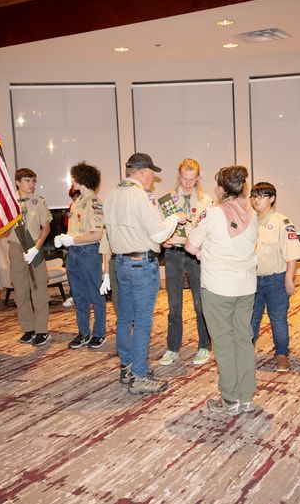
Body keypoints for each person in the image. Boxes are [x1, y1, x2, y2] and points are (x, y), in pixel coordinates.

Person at [105, 153, 181, 394]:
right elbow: (159, 234)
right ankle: (139, 375)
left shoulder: (111, 193)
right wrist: (175, 218)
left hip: (121, 264)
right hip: (141, 266)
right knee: (142, 322)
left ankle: (127, 367)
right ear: (144, 172)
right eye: (152, 173)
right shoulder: (139, 196)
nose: (153, 178)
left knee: (125, 318)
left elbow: (125, 230)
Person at [186, 165, 258, 417]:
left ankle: (229, 398)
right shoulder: (253, 213)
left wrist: (203, 252)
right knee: (243, 340)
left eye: (216, 185)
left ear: (222, 188)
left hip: (218, 288)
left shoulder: (213, 213)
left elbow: (190, 245)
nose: (214, 189)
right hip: (246, 287)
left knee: (224, 343)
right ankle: (246, 396)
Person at [158, 158, 214, 367]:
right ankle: (172, 348)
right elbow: (159, 226)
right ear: (178, 176)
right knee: (174, 305)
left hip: (196, 256)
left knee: (200, 304)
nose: (188, 183)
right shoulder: (167, 200)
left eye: (192, 179)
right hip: (173, 254)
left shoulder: (206, 201)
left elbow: (209, 229)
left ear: (198, 177)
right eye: (184, 178)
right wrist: (162, 239)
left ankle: (204, 346)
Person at [249, 181, 300, 372]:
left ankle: (282, 354)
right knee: (251, 319)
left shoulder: (282, 222)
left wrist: (289, 278)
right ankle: (247, 353)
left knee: (278, 319)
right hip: (252, 280)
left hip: (276, 280)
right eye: (254, 196)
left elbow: (292, 254)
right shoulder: (248, 221)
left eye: (261, 196)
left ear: (272, 199)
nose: (256, 200)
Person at [54, 162, 106, 349]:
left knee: (94, 295)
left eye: (74, 177)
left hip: (88, 253)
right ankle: (83, 332)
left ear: (81, 179)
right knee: (78, 295)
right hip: (74, 254)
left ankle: (99, 333)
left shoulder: (95, 203)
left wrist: (72, 241)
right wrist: (65, 239)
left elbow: (99, 234)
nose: (72, 181)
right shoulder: (77, 203)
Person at [8, 168, 52, 347]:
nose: (31, 185)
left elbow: (46, 227)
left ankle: (42, 330)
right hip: (15, 248)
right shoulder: (8, 203)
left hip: (34, 246)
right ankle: (28, 328)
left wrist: (37, 247)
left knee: (39, 288)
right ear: (18, 182)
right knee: (21, 289)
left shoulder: (38, 202)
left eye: (33, 181)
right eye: (27, 181)